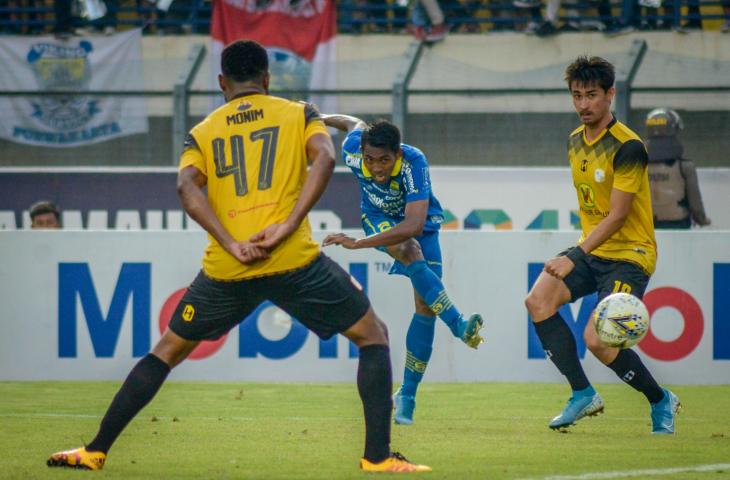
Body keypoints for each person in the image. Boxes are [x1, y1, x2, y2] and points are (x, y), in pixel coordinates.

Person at [46, 39, 430, 474]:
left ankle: (95, 451)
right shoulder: (298, 113)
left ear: (221, 83)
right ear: (267, 79)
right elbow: (324, 156)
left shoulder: (203, 131)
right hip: (293, 261)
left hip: (229, 268)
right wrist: (286, 226)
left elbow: (186, 187)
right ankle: (377, 457)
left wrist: (231, 243)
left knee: (166, 351)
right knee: (373, 335)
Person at [524, 56, 680, 434]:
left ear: (610, 94)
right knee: (538, 301)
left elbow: (617, 216)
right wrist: (580, 251)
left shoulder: (629, 147)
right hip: (593, 250)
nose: (583, 105)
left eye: (591, 95)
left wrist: (574, 255)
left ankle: (661, 401)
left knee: (598, 339)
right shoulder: (575, 140)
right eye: (576, 96)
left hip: (630, 254)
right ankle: (582, 393)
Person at [320, 114, 484, 426]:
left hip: (421, 227)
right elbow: (352, 123)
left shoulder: (413, 162)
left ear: (397, 154)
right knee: (408, 249)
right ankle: (459, 325)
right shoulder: (354, 151)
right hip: (379, 220)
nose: (376, 168)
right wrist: (321, 116)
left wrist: (359, 244)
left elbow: (414, 224)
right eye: (370, 160)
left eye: (384, 160)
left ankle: (407, 395)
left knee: (425, 306)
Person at [645, 108, 711, 229]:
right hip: (678, 224)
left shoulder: (637, 166)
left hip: (646, 225)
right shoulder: (685, 167)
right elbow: (695, 203)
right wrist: (701, 219)